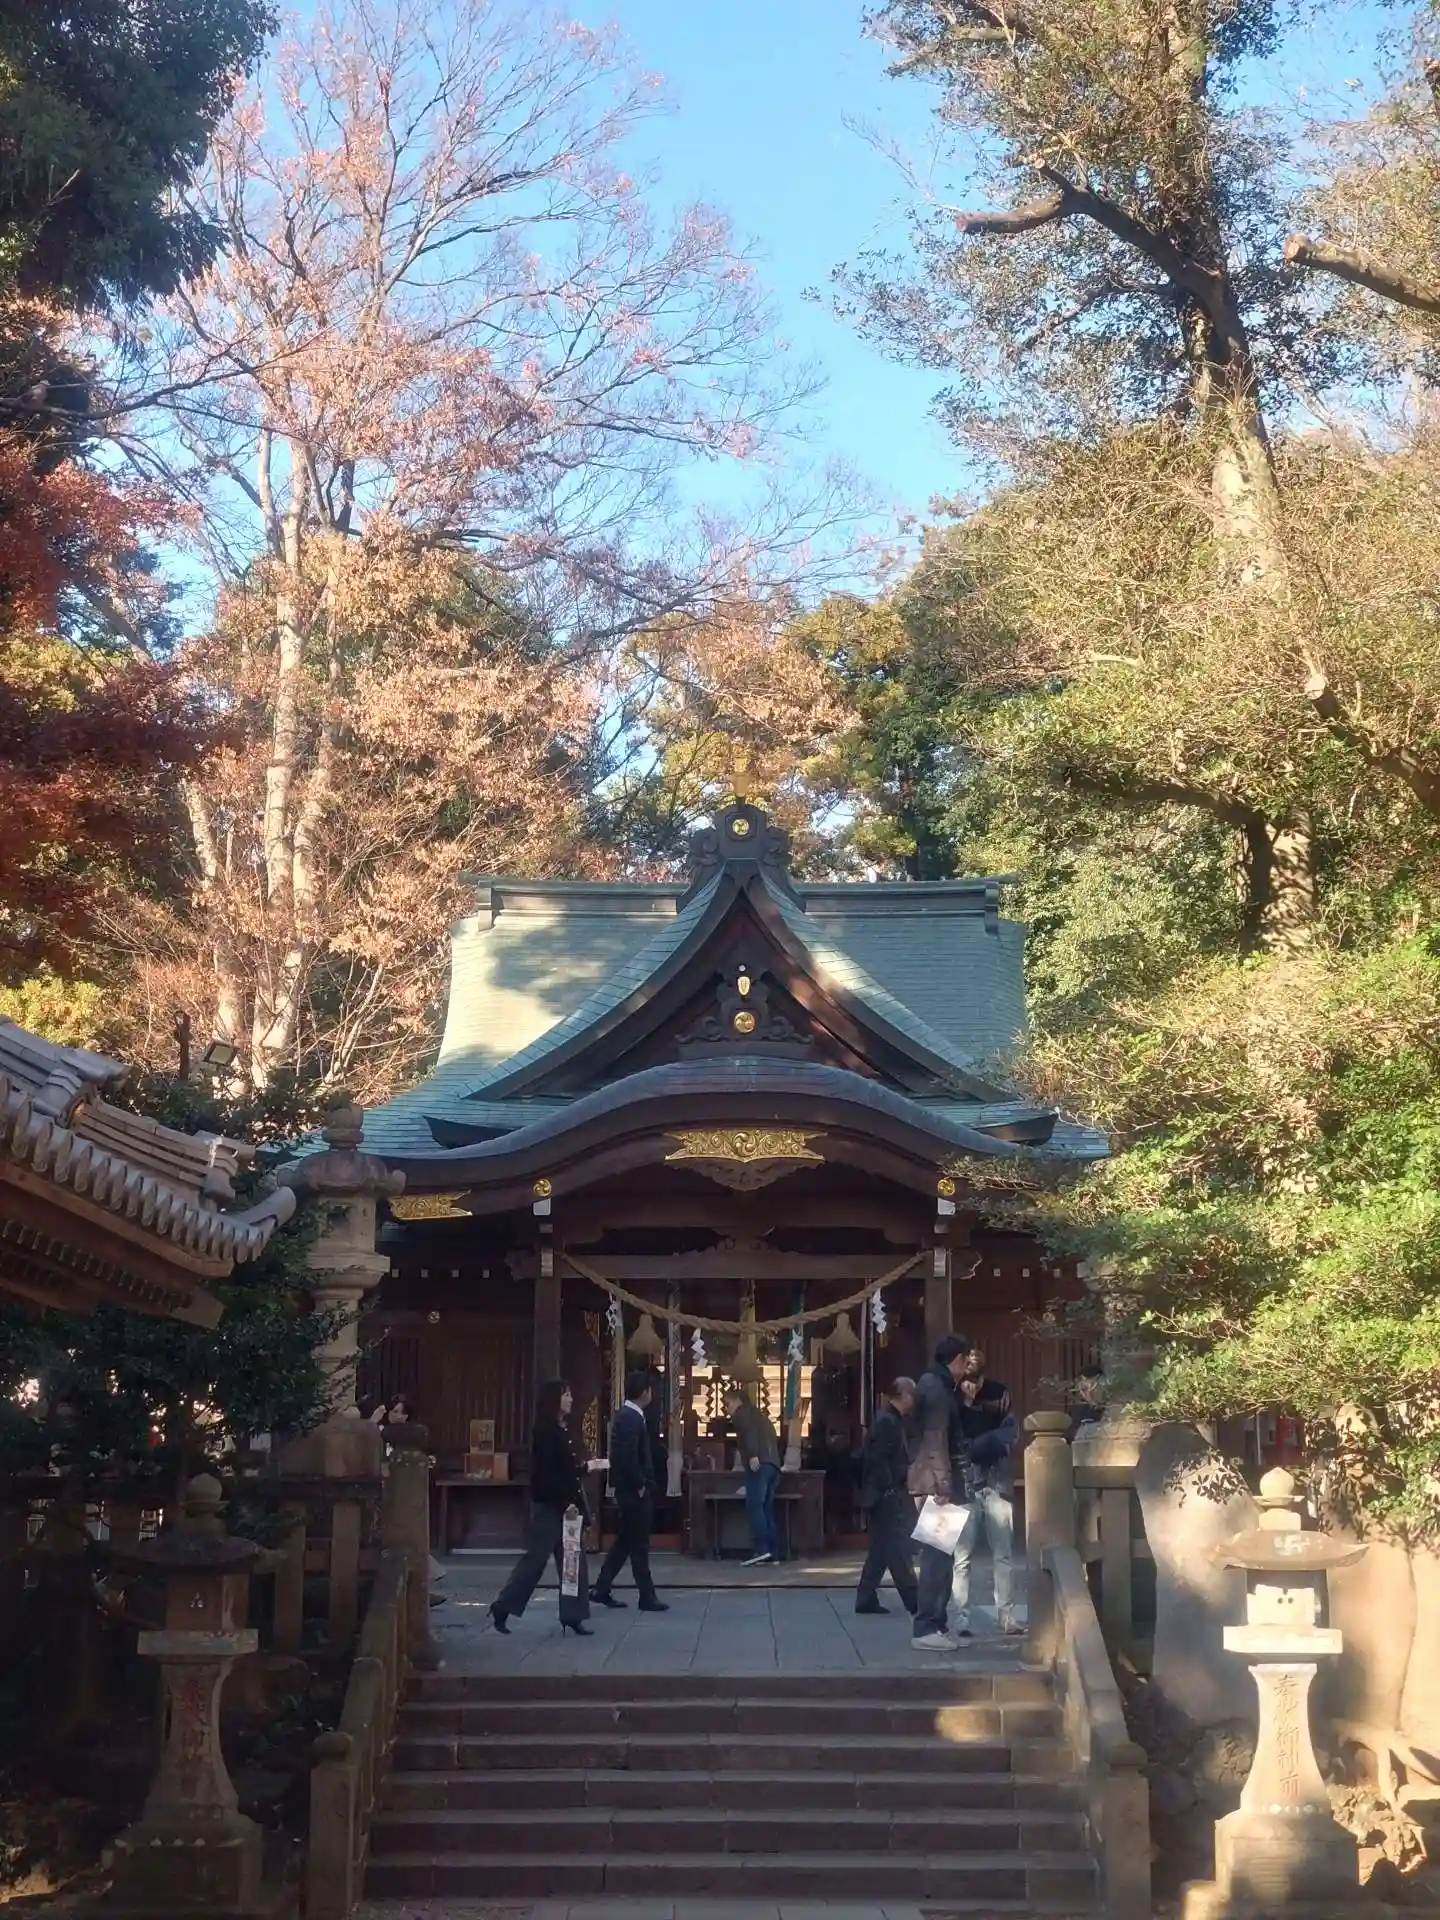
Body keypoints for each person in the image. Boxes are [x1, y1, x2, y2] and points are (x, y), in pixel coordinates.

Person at [489, 1380, 602, 1637]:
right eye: (565, 1395)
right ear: (553, 1399)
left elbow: (566, 1469)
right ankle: (503, 1606)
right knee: (535, 1560)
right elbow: (544, 1476)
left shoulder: (563, 1430)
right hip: (551, 1507)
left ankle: (573, 1615)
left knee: (573, 1561)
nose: (570, 1399)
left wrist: (585, 1468)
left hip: (569, 1505)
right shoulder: (544, 1432)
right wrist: (565, 1503)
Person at [907, 1333, 974, 1651]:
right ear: (957, 1359)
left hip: (936, 1479)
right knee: (936, 1557)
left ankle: (937, 1623)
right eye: (966, 1360)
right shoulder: (935, 1387)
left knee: (943, 1557)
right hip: (936, 1483)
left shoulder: (938, 1385)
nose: (967, 1366)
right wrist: (944, 1485)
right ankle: (926, 1627)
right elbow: (935, 1440)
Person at [953, 1347, 1022, 1638]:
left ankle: (1006, 1615)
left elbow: (1009, 1434)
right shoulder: (953, 1396)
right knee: (962, 1556)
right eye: (967, 1379)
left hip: (996, 1479)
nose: (972, 1385)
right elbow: (954, 1437)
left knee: (1003, 1553)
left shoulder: (999, 1393)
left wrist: (980, 1443)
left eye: (976, 1379)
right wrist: (967, 1405)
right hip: (964, 1482)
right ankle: (961, 1617)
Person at [590, 1371, 669, 1612]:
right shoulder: (630, 1418)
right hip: (633, 1491)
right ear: (645, 1392)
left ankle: (602, 1588)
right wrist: (640, 1484)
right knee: (639, 1544)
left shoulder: (631, 1416)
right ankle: (646, 1595)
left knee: (625, 1541)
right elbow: (626, 1456)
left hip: (631, 1489)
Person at [855, 1377, 918, 1617]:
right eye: (912, 1394)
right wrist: (889, 1486)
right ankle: (915, 1601)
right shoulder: (888, 1422)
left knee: (880, 1549)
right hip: (886, 1494)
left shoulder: (889, 1419)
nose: (914, 1400)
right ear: (904, 1395)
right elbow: (877, 1458)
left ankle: (865, 1597)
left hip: (881, 1492)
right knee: (898, 1547)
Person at [724, 1386, 781, 1567]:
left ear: (737, 1401)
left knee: (755, 1505)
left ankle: (761, 1549)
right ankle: (773, 1552)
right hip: (773, 1464)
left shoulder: (742, 1414)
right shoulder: (761, 1415)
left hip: (759, 1463)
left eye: (727, 1404)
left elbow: (749, 1432)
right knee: (766, 1508)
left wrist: (752, 1454)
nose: (726, 1408)